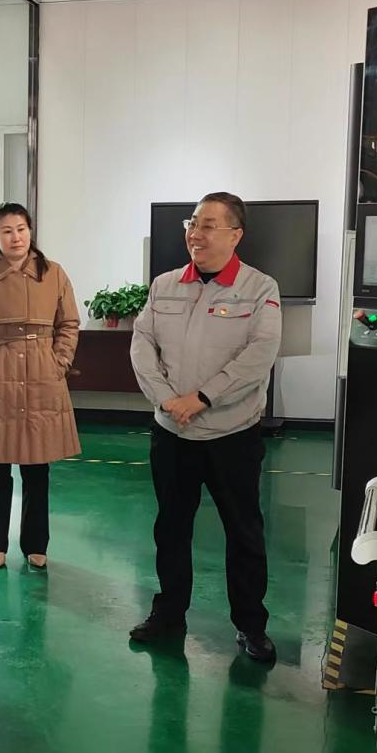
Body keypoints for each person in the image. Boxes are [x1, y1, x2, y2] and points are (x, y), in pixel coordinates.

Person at [128, 192, 282, 664]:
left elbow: (259, 355)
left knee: (244, 532)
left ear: (236, 235)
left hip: (231, 435)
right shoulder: (165, 286)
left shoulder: (260, 288)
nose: (196, 234)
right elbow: (142, 344)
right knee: (171, 528)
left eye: (209, 225)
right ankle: (169, 613)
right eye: (192, 224)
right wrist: (166, 400)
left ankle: (251, 625)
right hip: (172, 433)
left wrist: (202, 398)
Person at [0, 203, 81, 570]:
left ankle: (36, 544)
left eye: (22, 229)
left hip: (43, 375)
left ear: (30, 232)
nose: (16, 237)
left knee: (37, 466)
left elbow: (69, 323)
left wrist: (59, 361)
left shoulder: (53, 273)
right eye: (7, 231)